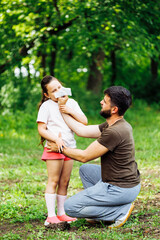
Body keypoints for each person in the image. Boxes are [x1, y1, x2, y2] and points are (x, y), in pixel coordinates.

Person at [47, 86, 141, 229]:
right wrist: (63, 108)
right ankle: (104, 211)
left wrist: (60, 149)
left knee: (70, 207)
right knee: (86, 170)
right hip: (127, 184)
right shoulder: (116, 124)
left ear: (114, 109)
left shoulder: (114, 132)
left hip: (120, 188)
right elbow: (81, 130)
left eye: (104, 101)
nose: (100, 102)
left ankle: (119, 211)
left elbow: (84, 156)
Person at [37, 75, 88, 227]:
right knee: (53, 180)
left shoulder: (71, 103)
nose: (58, 91)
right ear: (47, 94)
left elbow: (84, 121)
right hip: (54, 148)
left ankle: (61, 213)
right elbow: (41, 128)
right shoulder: (46, 106)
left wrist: (67, 109)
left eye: (59, 87)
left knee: (64, 181)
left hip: (69, 148)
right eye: (53, 90)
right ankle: (51, 216)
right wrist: (55, 139)